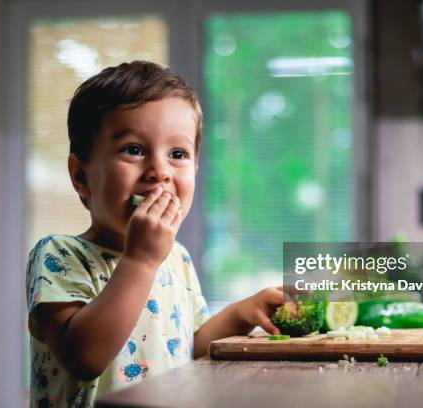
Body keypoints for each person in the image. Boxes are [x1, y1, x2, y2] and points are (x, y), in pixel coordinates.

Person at [25, 61, 294, 408]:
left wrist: (242, 312)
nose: (160, 171)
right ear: (81, 176)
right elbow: (84, 357)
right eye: (134, 150)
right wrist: (140, 260)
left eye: (178, 154)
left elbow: (189, 346)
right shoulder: (57, 256)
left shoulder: (177, 256)